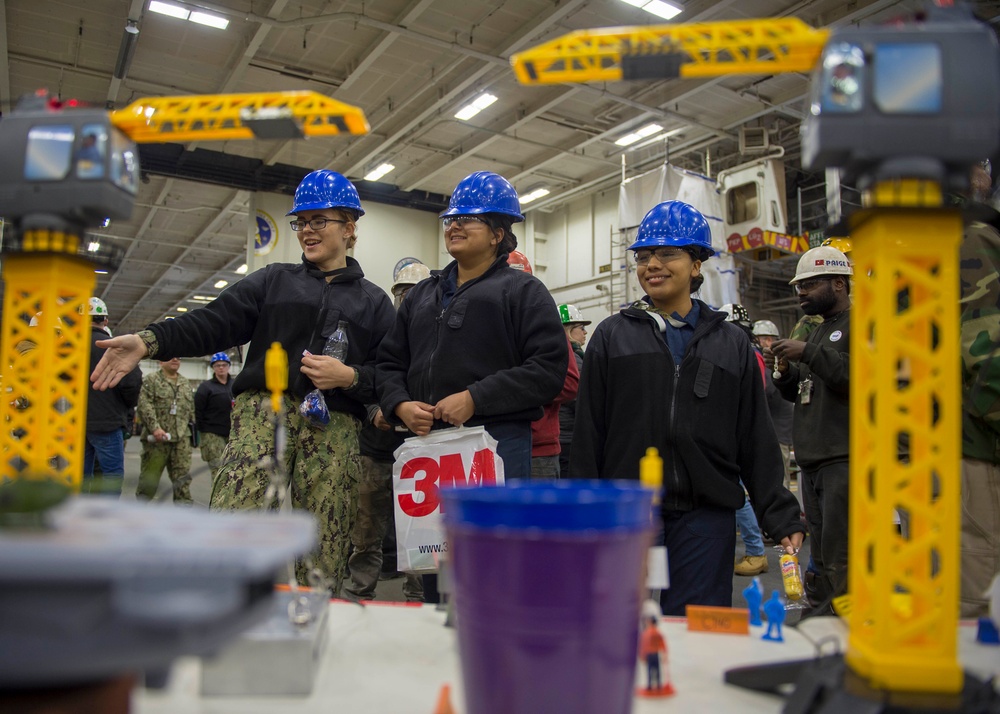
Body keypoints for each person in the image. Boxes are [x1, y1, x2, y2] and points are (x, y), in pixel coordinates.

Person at [91, 170, 396, 590]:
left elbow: (389, 373)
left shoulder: (374, 303)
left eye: (318, 220)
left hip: (335, 428)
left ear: (349, 227)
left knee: (325, 544)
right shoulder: (274, 281)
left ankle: (310, 629)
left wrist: (351, 376)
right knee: (235, 525)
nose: (306, 231)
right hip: (261, 416)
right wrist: (151, 340)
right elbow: (213, 321)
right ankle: (224, 621)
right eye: (300, 222)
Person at [571, 200, 804, 615]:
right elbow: (590, 431)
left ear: (697, 264)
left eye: (668, 253)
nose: (652, 265)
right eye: (644, 256)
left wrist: (779, 513)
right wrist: (586, 509)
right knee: (618, 626)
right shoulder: (611, 337)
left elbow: (754, 434)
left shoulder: (730, 342)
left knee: (699, 628)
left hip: (705, 515)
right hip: (627, 513)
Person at [376, 171, 567, 480]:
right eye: (451, 219)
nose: (454, 225)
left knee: (493, 530)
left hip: (497, 443)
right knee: (427, 531)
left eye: (468, 219)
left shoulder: (523, 292)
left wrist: (475, 398)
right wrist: (399, 405)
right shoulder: (422, 295)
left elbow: (548, 370)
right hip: (423, 446)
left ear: (498, 234)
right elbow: (389, 362)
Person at [343, 261, 431, 603]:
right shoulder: (377, 333)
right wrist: (372, 411)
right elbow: (358, 379)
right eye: (403, 293)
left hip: (421, 453)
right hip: (375, 450)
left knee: (421, 533)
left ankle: (418, 601)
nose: (408, 299)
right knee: (365, 531)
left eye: (415, 293)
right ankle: (358, 595)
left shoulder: (436, 339)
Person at [771, 245, 852, 614]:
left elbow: (856, 375)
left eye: (810, 284)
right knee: (821, 551)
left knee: (842, 552)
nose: (800, 292)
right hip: (814, 459)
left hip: (844, 457)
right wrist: (786, 375)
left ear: (839, 283)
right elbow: (803, 390)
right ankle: (825, 617)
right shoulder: (818, 332)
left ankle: (849, 626)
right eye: (798, 286)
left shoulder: (862, 324)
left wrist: (807, 354)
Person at [959, 160, 1000, 618]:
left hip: (950, 447)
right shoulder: (972, 237)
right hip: (978, 450)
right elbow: (988, 356)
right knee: (978, 609)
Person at [511, 254, 579, 479]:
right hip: (489, 444)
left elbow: (569, 382)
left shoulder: (548, 325)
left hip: (537, 450)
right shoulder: (483, 325)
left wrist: (513, 392)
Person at [720, 303, 770, 577]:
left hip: (738, 433)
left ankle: (756, 551)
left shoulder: (749, 353)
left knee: (738, 493)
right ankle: (754, 549)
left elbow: (752, 395)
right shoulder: (742, 349)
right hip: (732, 431)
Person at [83, 297, 141, 495]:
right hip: (108, 423)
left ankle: (77, 518)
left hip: (76, 423)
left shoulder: (68, 348)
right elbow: (132, 384)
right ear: (105, 321)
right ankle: (104, 519)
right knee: (111, 476)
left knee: (79, 476)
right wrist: (124, 408)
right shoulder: (116, 348)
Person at [136, 358, 195, 503]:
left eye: (178, 357)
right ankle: (139, 518)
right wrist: (155, 428)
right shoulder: (152, 380)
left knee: (182, 483)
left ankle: (184, 519)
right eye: (170, 357)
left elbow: (190, 410)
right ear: (161, 362)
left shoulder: (185, 383)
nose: (175, 359)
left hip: (181, 440)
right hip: (157, 440)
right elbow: (144, 405)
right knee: (149, 482)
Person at [558, 303, 589, 478]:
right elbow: (579, 399)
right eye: (581, 327)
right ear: (568, 330)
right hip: (568, 437)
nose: (585, 332)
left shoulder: (570, 356)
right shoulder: (573, 359)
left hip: (564, 435)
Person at [194, 352, 234, 480]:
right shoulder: (206, 388)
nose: (221, 368)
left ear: (229, 366)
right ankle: (216, 500)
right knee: (218, 471)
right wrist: (203, 432)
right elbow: (198, 411)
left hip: (232, 433)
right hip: (212, 433)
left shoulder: (235, 385)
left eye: (224, 365)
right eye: (217, 365)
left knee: (232, 470)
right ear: (213, 367)